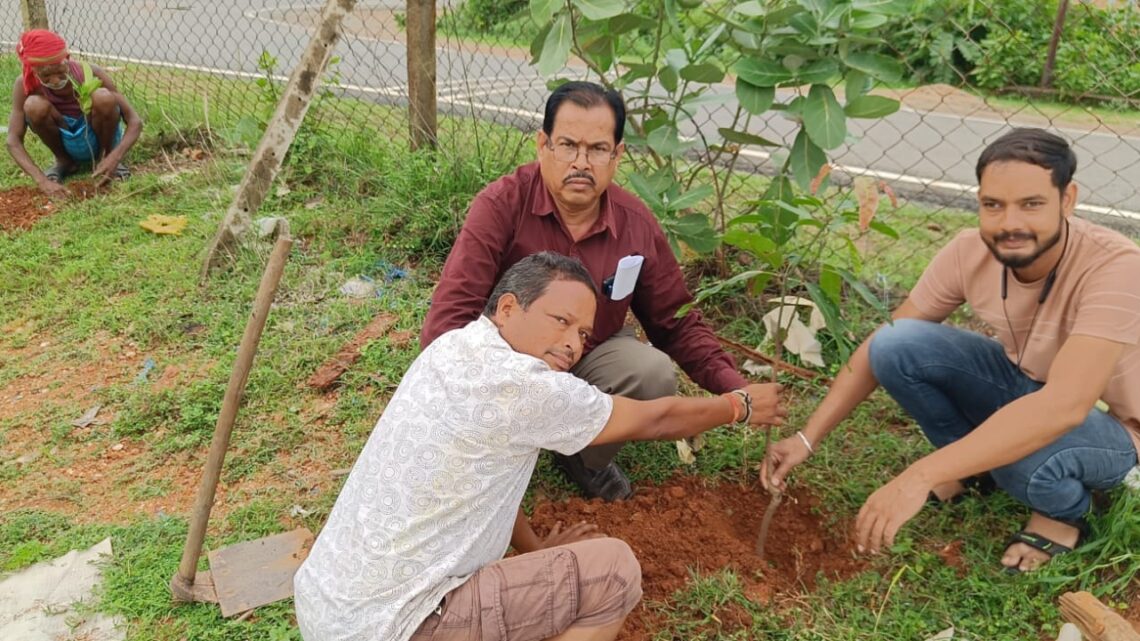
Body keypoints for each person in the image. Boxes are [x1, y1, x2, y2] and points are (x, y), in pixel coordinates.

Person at [295, 252, 784, 641]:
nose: (573, 344)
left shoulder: (452, 348)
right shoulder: (527, 387)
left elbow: (490, 490)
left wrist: (533, 552)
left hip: (327, 611)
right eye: (560, 321)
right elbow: (652, 419)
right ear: (508, 307)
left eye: (583, 334)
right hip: (401, 627)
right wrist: (737, 406)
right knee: (614, 571)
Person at [761, 128, 1140, 573]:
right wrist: (808, 437)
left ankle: (1064, 514)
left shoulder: (1117, 267)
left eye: (1031, 204)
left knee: (1030, 454)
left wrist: (919, 476)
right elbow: (886, 340)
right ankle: (975, 468)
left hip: (1119, 429)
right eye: (993, 205)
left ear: (1068, 199)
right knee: (897, 343)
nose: (1009, 224)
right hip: (1027, 385)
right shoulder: (969, 250)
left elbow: (1065, 407)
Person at [420, 81, 751, 501]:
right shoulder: (501, 205)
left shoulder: (635, 223)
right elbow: (451, 316)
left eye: (597, 149)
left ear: (617, 156)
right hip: (509, 364)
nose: (581, 162)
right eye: (567, 145)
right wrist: (452, 399)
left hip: (590, 353)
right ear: (542, 146)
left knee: (651, 373)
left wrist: (735, 387)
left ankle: (583, 458)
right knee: (484, 446)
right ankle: (502, 447)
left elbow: (675, 321)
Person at [7, 29, 142, 199]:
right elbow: (13, 140)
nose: (55, 80)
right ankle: (66, 163)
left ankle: (105, 158)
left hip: (98, 135)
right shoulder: (25, 85)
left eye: (60, 71)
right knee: (33, 105)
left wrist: (115, 156)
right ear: (32, 69)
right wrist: (42, 181)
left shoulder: (90, 72)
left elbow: (135, 121)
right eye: (46, 75)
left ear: (68, 58)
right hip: (64, 140)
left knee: (103, 97)